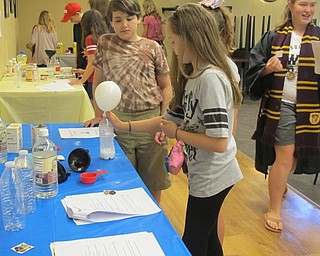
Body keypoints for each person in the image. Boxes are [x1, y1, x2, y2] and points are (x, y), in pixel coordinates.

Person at [106, 3, 243, 255]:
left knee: (193, 240)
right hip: (205, 173)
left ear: (191, 39)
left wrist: (177, 134)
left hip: (215, 175)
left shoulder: (210, 79)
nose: (173, 48)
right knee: (208, 239)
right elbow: (165, 121)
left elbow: (219, 142)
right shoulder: (194, 76)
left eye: (174, 41)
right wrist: (122, 125)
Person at [83, 0, 172, 204]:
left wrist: (164, 121)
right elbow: (98, 80)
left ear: (139, 19)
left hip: (151, 123)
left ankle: (152, 220)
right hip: (117, 121)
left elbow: (166, 86)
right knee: (120, 179)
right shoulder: (106, 43)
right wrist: (99, 114)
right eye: (118, 20)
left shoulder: (153, 47)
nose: (124, 25)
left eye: (130, 19)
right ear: (111, 22)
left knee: (153, 181)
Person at [246, 0, 320, 233]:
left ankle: (281, 182)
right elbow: (254, 68)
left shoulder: (319, 38)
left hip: (311, 108)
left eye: (313, 4)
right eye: (302, 4)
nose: (308, 10)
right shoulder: (274, 36)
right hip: (282, 105)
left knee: (294, 157)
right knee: (286, 156)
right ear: (290, 5)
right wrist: (266, 69)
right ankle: (275, 208)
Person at [200, 0, 241, 246]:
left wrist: (224, 148)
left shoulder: (223, 69)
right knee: (209, 218)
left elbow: (232, 117)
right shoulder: (204, 68)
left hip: (216, 157)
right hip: (206, 153)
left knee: (212, 215)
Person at [69, 9, 108, 102]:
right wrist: (84, 71)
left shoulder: (90, 38)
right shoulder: (105, 37)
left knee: (94, 107)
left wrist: (82, 80)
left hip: (94, 79)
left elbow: (92, 63)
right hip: (105, 77)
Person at [61, 3, 90, 99]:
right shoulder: (75, 27)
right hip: (80, 61)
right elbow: (76, 45)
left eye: (71, 18)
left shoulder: (88, 25)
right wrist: (76, 62)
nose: (70, 21)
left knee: (88, 91)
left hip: (89, 60)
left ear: (77, 14)